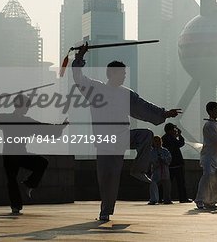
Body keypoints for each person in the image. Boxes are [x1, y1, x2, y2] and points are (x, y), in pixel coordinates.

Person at [72, 45, 181, 221]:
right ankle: (105, 211)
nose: (124, 76)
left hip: (123, 136)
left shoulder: (126, 94)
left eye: (124, 73)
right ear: (110, 74)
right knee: (108, 177)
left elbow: (144, 108)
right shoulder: (96, 90)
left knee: (146, 135)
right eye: (121, 73)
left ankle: (138, 170)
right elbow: (79, 78)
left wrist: (164, 113)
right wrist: (79, 57)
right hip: (106, 141)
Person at [0, 94, 68, 215]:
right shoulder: (19, 120)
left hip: (15, 154)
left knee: (22, 173)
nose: (27, 109)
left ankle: (21, 197)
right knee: (14, 178)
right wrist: (60, 128)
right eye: (26, 106)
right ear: (22, 107)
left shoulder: (13, 119)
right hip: (13, 154)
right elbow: (44, 129)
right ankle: (21, 197)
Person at [162, 123, 192, 203]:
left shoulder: (164, 138)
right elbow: (180, 143)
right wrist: (180, 135)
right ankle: (183, 198)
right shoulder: (170, 138)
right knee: (180, 183)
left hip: (169, 164)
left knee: (167, 183)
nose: (175, 132)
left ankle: (163, 197)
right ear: (170, 130)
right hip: (176, 164)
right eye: (174, 130)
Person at [148, 136, 172, 205]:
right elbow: (151, 160)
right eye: (156, 141)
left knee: (167, 186)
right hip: (156, 170)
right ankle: (153, 199)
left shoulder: (165, 150)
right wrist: (157, 162)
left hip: (164, 170)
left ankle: (167, 199)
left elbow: (169, 159)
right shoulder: (152, 151)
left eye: (159, 141)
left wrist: (163, 159)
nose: (157, 143)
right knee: (153, 184)